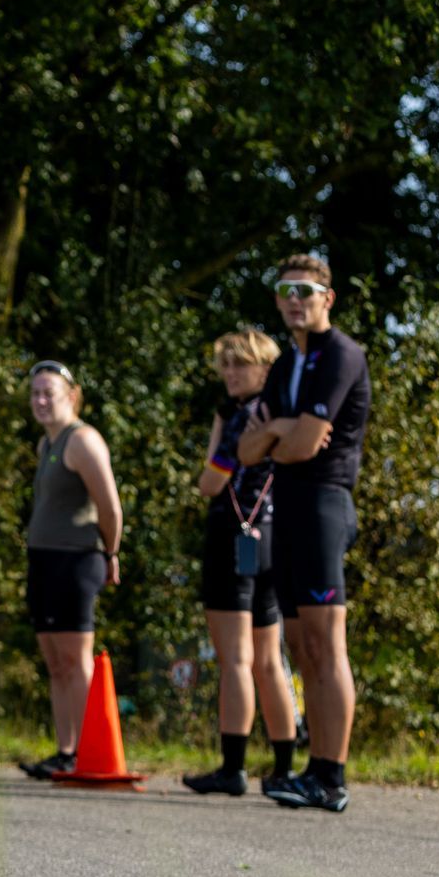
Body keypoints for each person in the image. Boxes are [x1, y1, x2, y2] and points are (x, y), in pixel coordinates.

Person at [239, 255, 370, 813]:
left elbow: (298, 447)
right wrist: (275, 427)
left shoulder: (341, 354)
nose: (295, 300)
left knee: (324, 644)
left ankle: (332, 777)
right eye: (286, 291)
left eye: (306, 291)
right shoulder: (285, 363)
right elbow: (248, 452)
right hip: (286, 507)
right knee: (299, 646)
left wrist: (278, 435)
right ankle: (313, 772)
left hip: (324, 504)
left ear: (327, 299)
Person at [184, 331, 298, 796]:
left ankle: (233, 767)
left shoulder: (238, 415)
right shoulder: (283, 411)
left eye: (240, 365)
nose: (230, 373)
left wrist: (213, 463)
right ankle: (285, 767)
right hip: (272, 535)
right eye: (226, 365)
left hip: (234, 535)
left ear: (265, 369)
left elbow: (211, 482)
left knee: (237, 658)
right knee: (269, 659)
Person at [18, 360, 123, 779]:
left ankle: (87, 751)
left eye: (50, 393)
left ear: (72, 396)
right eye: (35, 394)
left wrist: (110, 553)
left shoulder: (83, 441)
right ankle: (65, 749)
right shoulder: (47, 444)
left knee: (76, 659)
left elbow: (110, 506)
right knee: (54, 660)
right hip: (43, 559)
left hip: (76, 560)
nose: (41, 401)